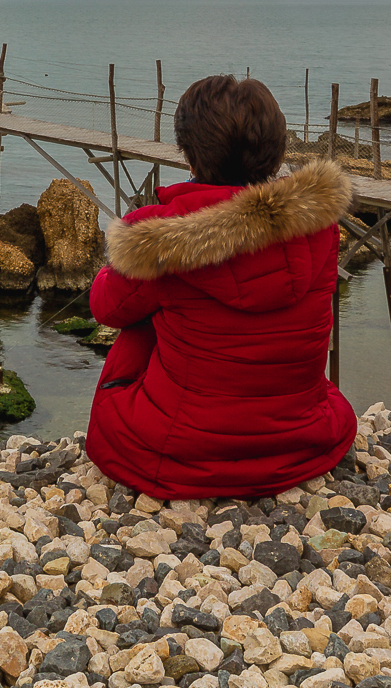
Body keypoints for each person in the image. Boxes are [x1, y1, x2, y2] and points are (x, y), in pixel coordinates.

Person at [84, 74, 356, 500]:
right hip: (302, 440)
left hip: (178, 451)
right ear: (275, 151)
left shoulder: (160, 235)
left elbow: (105, 309)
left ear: (189, 156)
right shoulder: (320, 226)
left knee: (139, 318)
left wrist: (114, 267)